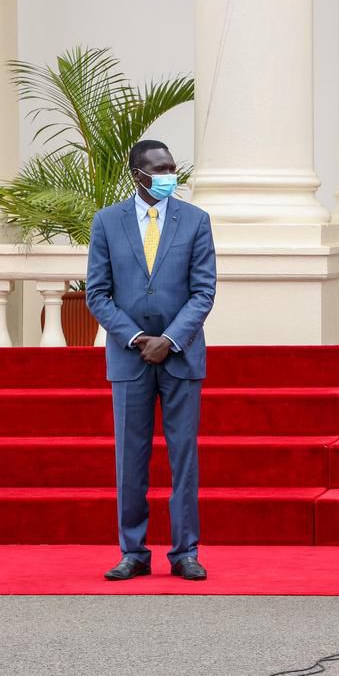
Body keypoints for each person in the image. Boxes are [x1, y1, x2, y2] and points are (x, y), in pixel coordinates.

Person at [86, 140, 217, 581]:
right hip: (129, 358)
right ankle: (133, 551)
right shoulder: (107, 222)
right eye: (159, 169)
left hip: (181, 357)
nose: (168, 176)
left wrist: (171, 339)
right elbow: (97, 293)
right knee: (130, 459)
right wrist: (138, 337)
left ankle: (185, 552)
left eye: (172, 168)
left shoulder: (196, 220)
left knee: (184, 459)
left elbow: (204, 291)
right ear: (137, 174)